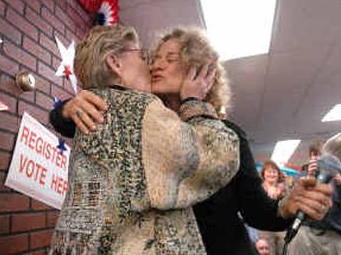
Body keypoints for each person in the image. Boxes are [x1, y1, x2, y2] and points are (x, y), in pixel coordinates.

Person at [50, 27, 334, 255]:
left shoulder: (227, 134)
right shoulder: (139, 121)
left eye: (170, 59)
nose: (156, 65)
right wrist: (67, 107)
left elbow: (258, 213)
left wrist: (287, 206)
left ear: (200, 71)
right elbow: (83, 120)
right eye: (154, 58)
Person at [49, 25, 241, 254]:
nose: (152, 65)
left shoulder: (92, 112)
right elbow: (219, 157)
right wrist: (193, 102)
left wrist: (63, 109)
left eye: (170, 59)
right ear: (115, 63)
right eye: (144, 56)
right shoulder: (140, 109)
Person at [289, 135, 341, 255]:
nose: (320, 160)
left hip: (335, 238)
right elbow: (291, 207)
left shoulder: (337, 174)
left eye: (322, 156)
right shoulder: (302, 176)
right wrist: (310, 178)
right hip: (305, 233)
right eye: (315, 156)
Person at [259, 160, 287, 255]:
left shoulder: (284, 189)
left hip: (281, 228)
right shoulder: (258, 189)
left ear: (278, 175)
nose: (271, 174)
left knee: (283, 251)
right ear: (263, 174)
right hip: (264, 228)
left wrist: (282, 192)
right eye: (269, 171)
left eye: (274, 172)